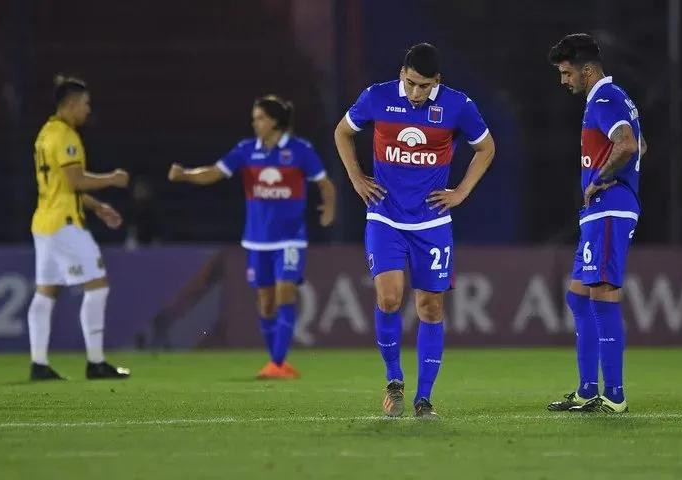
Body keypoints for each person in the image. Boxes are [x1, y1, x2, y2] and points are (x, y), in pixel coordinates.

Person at [334, 43, 495, 418]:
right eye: (410, 83)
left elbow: (486, 148)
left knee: (430, 306)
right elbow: (343, 132)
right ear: (401, 73)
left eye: (424, 86)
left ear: (437, 81)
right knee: (389, 298)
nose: (416, 93)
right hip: (385, 215)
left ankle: (424, 399)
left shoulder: (458, 105)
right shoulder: (377, 97)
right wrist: (356, 177)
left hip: (432, 221)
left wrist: (462, 191)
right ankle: (394, 381)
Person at [168, 95, 336, 379]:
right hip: (258, 239)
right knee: (266, 302)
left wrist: (328, 209)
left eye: (259, 118)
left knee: (285, 293)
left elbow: (324, 182)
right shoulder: (246, 150)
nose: (254, 123)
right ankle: (277, 362)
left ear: (273, 121)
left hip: (290, 239)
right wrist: (185, 175)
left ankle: (278, 363)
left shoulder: (299, 150)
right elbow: (214, 173)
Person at [546, 34, 647, 413]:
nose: (563, 80)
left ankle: (615, 397)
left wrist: (601, 178)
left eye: (566, 72)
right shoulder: (617, 98)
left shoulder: (604, 99)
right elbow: (641, 143)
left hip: (609, 208)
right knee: (579, 295)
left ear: (587, 70)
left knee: (603, 294)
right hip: (602, 210)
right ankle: (588, 390)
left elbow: (628, 145)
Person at [29, 75, 131, 381]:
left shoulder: (44, 134)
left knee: (46, 292)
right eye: (85, 104)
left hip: (44, 222)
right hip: (65, 225)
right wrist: (112, 179)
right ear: (71, 104)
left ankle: (38, 363)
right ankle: (96, 362)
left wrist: (97, 207)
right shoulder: (67, 137)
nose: (88, 109)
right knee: (98, 286)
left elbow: (62, 186)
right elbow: (75, 181)